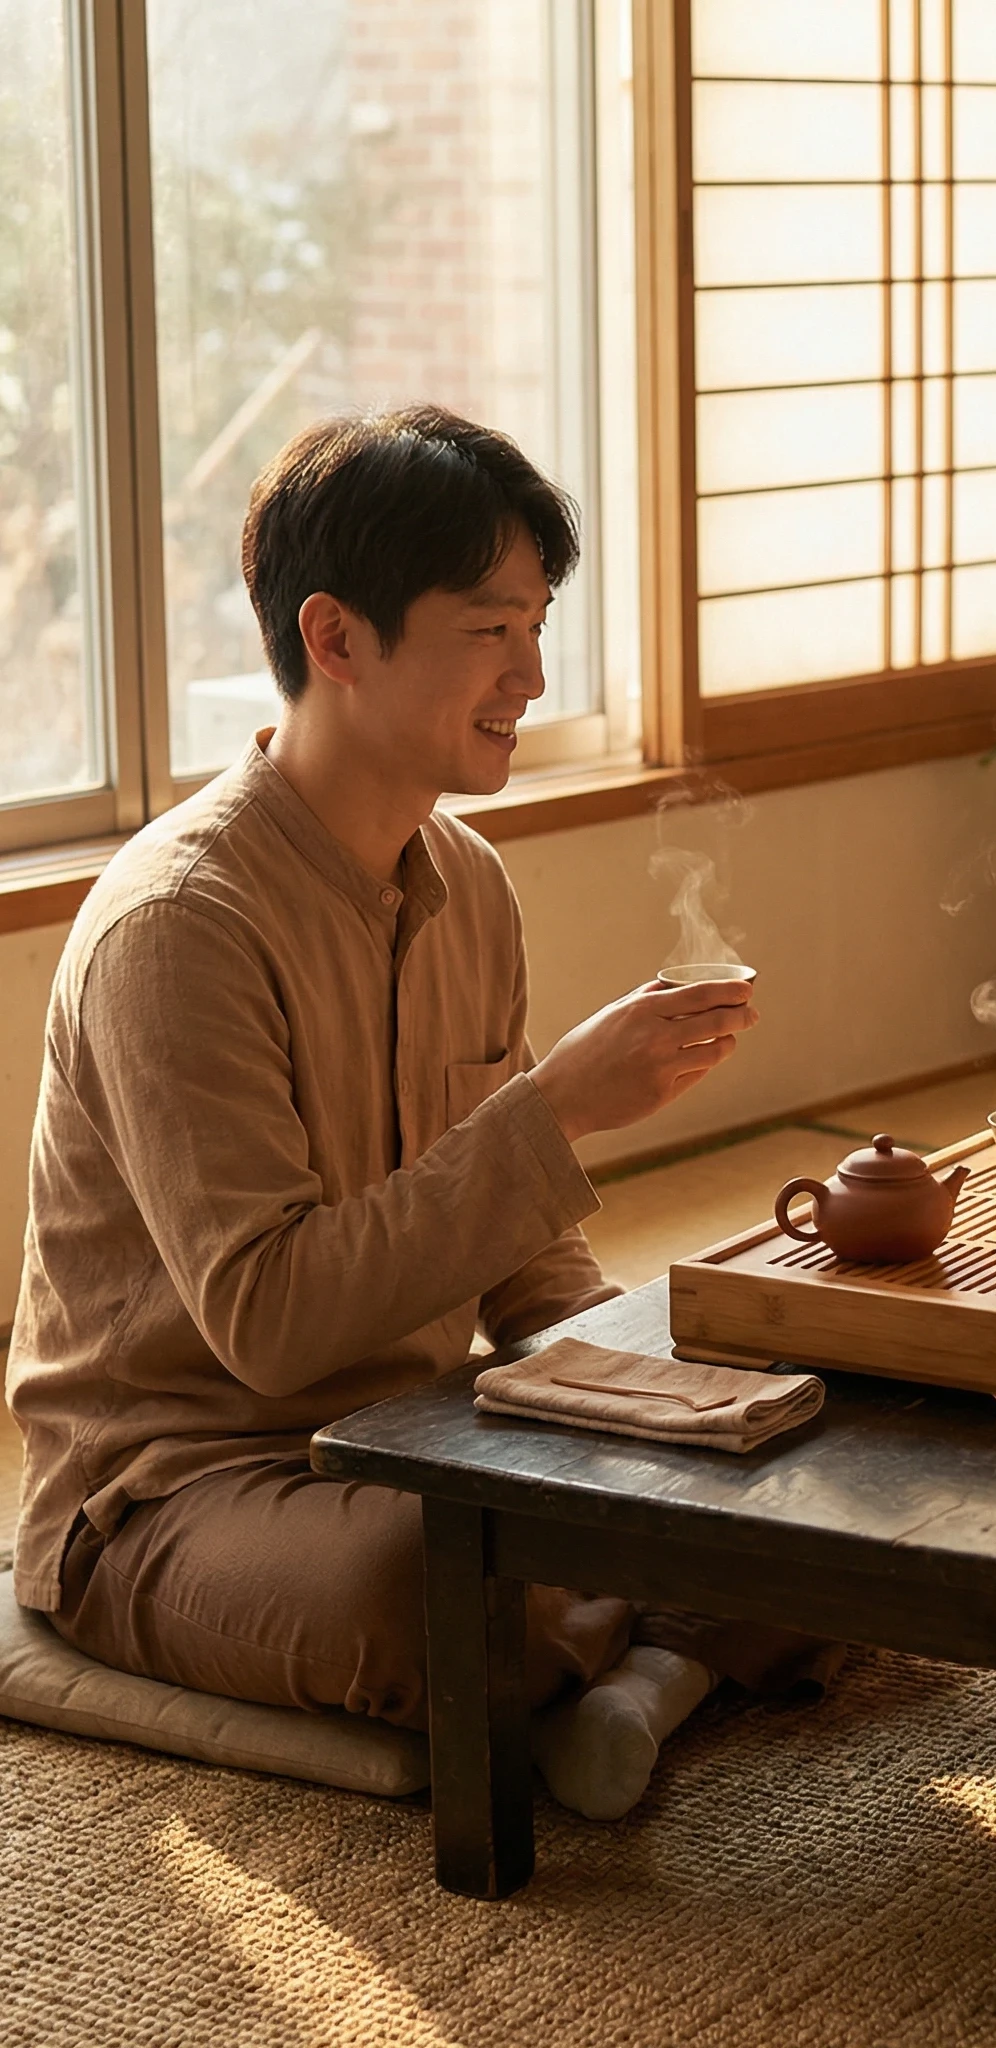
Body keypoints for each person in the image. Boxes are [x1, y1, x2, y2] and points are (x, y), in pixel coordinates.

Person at [7, 406, 831, 1822]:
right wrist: (554, 1113)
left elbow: (516, 1265)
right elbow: (266, 1327)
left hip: (427, 1433)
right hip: (182, 1489)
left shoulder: (466, 882)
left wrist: (678, 1392)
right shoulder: (180, 926)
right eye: (490, 630)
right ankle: (658, 1647)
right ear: (336, 639)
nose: (531, 672)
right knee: (431, 1590)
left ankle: (636, 1684)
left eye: (538, 625)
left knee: (816, 1477)